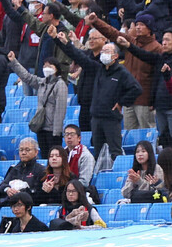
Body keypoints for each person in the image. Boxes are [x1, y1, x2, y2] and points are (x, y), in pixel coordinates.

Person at [54, 31, 141, 160]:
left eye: (107, 52)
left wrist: (121, 102)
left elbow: (136, 89)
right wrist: (65, 43)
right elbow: (80, 57)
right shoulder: (98, 69)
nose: (103, 54)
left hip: (111, 118)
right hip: (95, 117)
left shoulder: (121, 72)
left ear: (115, 56)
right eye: (103, 52)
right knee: (98, 151)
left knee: (114, 150)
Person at [122, 27, 172, 152]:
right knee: (163, 137)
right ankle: (168, 163)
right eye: (163, 40)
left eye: (168, 40)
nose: (164, 43)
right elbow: (143, 55)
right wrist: (129, 46)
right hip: (160, 106)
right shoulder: (160, 58)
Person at [90, 12, 162, 130]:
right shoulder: (131, 41)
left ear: (150, 28)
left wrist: (153, 99)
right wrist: (97, 22)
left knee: (147, 131)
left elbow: (158, 76)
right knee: (129, 133)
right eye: (137, 24)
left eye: (142, 25)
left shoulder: (156, 48)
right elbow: (113, 33)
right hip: (128, 98)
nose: (138, 27)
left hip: (145, 99)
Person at [7, 52, 68, 157]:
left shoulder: (60, 85)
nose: (46, 68)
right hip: (41, 127)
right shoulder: (42, 82)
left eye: (50, 65)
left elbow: (60, 110)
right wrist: (14, 62)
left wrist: (56, 132)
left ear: (56, 68)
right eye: (45, 65)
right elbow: (27, 77)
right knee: (44, 156)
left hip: (52, 130)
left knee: (53, 157)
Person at [64, 125, 95, 190]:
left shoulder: (86, 156)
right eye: (66, 134)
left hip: (79, 191)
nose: (69, 137)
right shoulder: (61, 154)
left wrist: (65, 187)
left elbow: (84, 182)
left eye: (72, 134)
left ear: (79, 138)